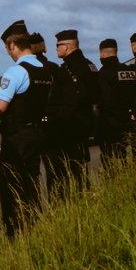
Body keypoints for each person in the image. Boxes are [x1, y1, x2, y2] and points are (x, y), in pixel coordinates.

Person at [0, 20, 53, 239]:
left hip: (16, 137)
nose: (8, 53)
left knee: (12, 186)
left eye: (7, 49)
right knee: (31, 183)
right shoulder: (45, 71)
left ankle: (15, 234)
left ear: (13, 45)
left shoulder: (16, 71)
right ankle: (33, 228)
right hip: (38, 133)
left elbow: (2, 107)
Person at [28, 32, 77, 202]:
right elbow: (69, 96)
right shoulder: (55, 69)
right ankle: (58, 205)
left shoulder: (25, 70)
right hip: (54, 124)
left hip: (34, 125)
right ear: (45, 48)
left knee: (30, 172)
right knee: (56, 170)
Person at [55, 29, 99, 192]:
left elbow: (71, 100)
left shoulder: (70, 68)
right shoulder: (90, 64)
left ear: (67, 47)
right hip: (86, 123)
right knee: (80, 168)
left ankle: (76, 203)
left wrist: (56, 120)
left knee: (70, 172)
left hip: (70, 126)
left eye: (59, 45)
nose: (57, 49)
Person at [95, 38, 136, 169]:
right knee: (122, 153)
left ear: (102, 54)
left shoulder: (104, 73)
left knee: (108, 157)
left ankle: (111, 182)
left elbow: (103, 99)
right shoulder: (129, 71)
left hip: (109, 122)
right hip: (126, 120)